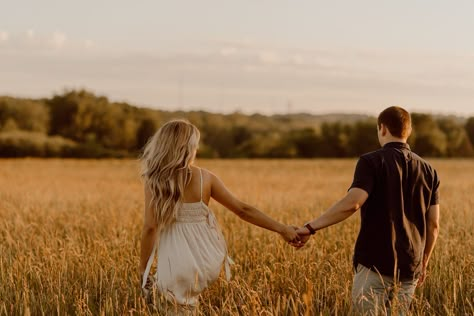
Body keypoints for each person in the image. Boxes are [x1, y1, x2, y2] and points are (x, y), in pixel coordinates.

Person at [139, 119, 300, 314]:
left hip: (173, 263)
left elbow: (150, 228)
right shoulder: (205, 178)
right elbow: (243, 210)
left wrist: (143, 270)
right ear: (189, 149)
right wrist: (282, 229)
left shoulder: (155, 181)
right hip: (204, 261)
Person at [296, 106, 440, 315]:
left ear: (382, 128)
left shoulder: (371, 161)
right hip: (411, 268)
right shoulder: (430, 171)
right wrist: (423, 262)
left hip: (375, 264)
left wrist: (310, 228)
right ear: (407, 130)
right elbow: (434, 225)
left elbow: (353, 203)